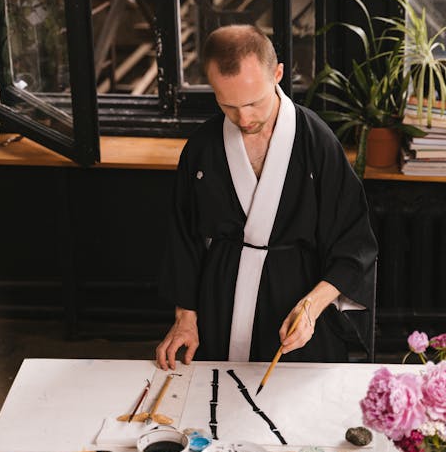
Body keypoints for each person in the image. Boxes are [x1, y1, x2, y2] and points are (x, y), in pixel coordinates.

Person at [155, 24, 377, 369]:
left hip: (298, 302)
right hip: (221, 301)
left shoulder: (316, 142)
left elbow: (355, 243)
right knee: (214, 408)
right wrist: (185, 317)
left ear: (278, 73)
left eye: (253, 103)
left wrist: (311, 308)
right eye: (228, 105)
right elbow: (183, 238)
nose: (244, 119)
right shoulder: (202, 147)